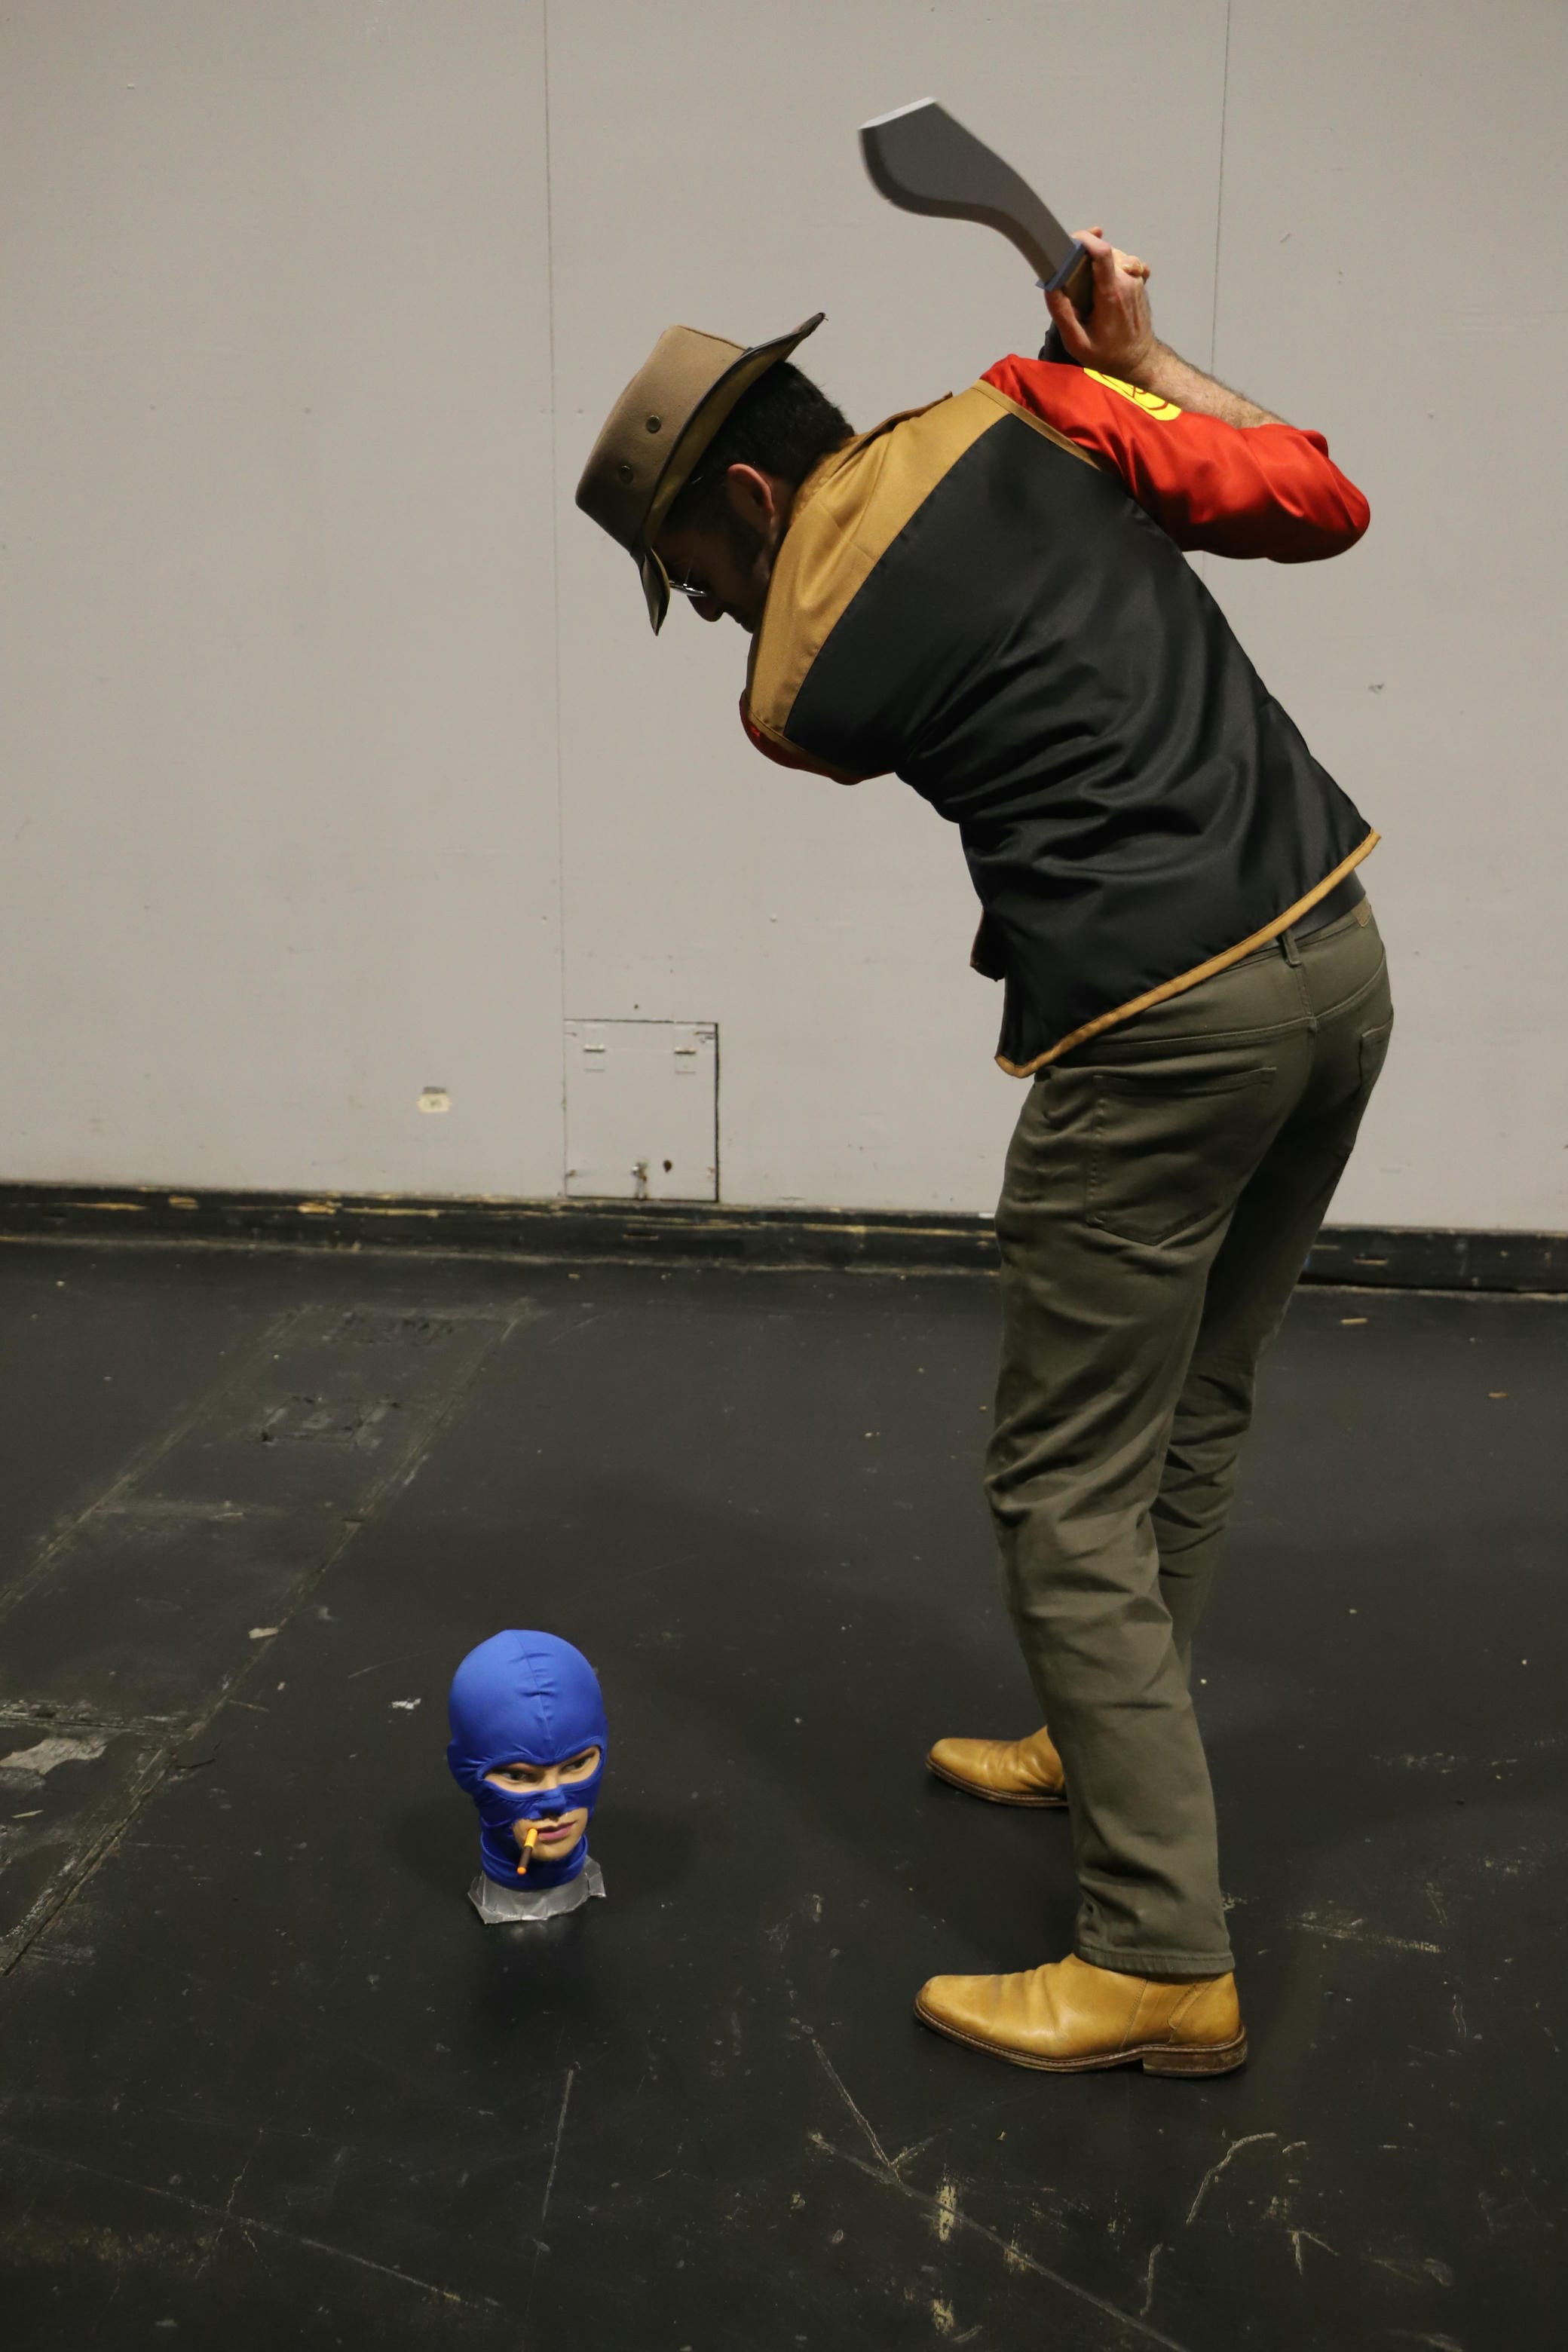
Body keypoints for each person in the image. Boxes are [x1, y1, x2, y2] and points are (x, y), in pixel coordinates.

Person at [576, 232, 1392, 2076]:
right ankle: (1112, 1739)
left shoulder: (792, 695)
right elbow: (1316, 496)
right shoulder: (1028, 409)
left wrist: (1077, 399)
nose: (710, 607)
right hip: (1336, 963)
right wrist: (1136, 366)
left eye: (692, 570)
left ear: (752, 500)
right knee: (1193, 1402)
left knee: (1059, 1488)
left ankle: (1157, 1957)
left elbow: (819, 661)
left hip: (1159, 1035)